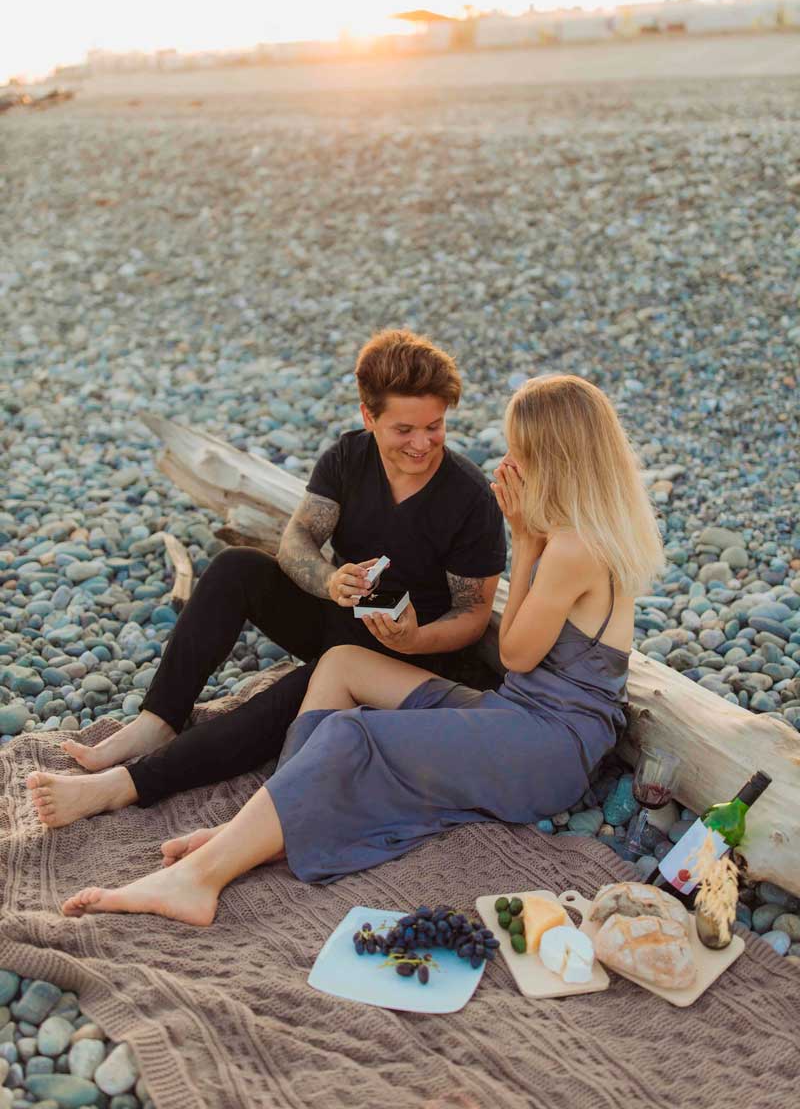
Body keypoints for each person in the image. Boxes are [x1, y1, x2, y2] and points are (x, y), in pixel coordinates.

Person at [54, 373, 665, 923]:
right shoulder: (575, 534)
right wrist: (532, 537)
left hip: (549, 749)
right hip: (524, 718)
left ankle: (197, 880)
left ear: (552, 458)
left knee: (353, 734)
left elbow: (515, 658)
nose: (508, 463)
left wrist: (525, 540)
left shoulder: (571, 548)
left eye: (519, 451)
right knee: (342, 666)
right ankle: (266, 821)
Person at [27, 330, 506, 827]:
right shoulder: (348, 456)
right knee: (235, 567)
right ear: (369, 416)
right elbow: (297, 538)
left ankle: (125, 786)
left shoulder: (469, 499)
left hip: (406, 655)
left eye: (434, 426)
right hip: (342, 616)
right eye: (404, 429)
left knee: (279, 702)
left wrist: (415, 639)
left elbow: (472, 613)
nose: (422, 444)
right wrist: (328, 581)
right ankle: (159, 720)